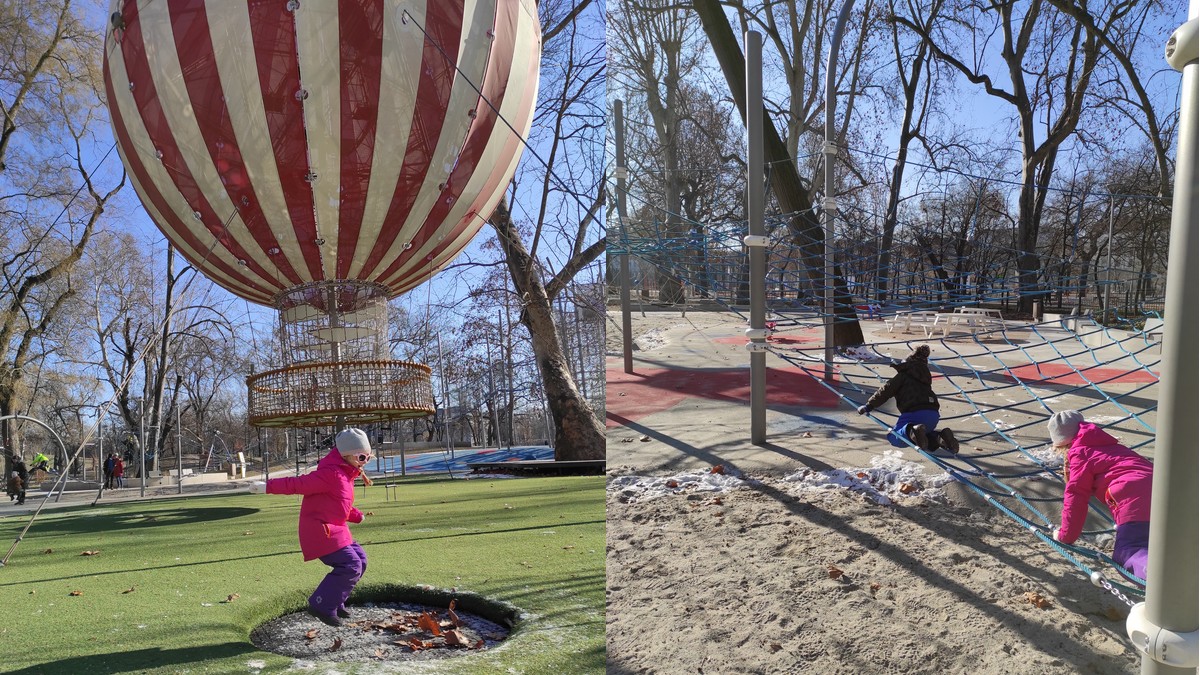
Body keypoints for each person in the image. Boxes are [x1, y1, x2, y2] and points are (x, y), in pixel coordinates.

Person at [249, 428, 374, 627]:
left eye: (368, 457)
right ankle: (321, 605)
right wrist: (267, 487)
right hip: (321, 531)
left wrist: (356, 515)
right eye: (361, 457)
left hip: (337, 529)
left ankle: (336, 600)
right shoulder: (330, 474)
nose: (364, 462)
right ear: (346, 454)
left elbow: (338, 504)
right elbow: (297, 484)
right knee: (350, 565)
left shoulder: (346, 475)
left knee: (361, 560)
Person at [1047, 410, 1153, 581]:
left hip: (1133, 496)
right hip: (1165, 492)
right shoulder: (1112, 446)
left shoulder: (1080, 452)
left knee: (1127, 553)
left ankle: (1160, 577)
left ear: (1063, 443)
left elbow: (1076, 496)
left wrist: (1066, 535)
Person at [857, 344, 959, 454]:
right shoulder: (925, 378)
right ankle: (940, 438)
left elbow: (885, 391)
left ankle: (912, 431)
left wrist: (869, 406)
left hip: (913, 413)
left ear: (907, 363)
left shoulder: (903, 375)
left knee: (894, 437)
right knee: (924, 439)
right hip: (933, 414)